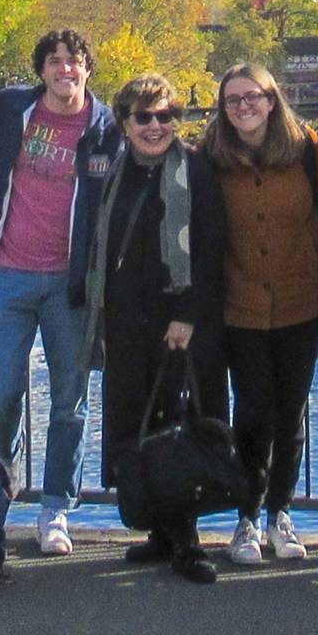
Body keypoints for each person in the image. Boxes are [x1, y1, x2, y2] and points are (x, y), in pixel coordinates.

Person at [0, 30, 122, 556]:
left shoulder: (107, 129)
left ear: (88, 70)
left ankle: (56, 506)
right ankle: (8, 465)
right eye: (55, 62)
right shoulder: (13, 110)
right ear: (41, 71)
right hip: (9, 274)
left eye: (74, 62)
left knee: (69, 404)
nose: (65, 70)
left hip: (70, 285)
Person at [82, 74, 227, 584]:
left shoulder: (196, 171)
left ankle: (188, 539)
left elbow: (209, 250)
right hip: (124, 323)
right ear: (124, 121)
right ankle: (156, 530)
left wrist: (188, 314)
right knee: (132, 425)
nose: (156, 126)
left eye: (166, 116)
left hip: (175, 324)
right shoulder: (114, 173)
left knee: (176, 428)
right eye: (144, 116)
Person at [200, 63, 318, 565]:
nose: (244, 107)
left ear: (273, 101)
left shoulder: (306, 150)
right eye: (233, 100)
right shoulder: (209, 159)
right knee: (252, 410)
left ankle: (281, 513)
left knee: (291, 410)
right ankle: (247, 517)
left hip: (302, 300)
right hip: (240, 305)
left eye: (253, 97)